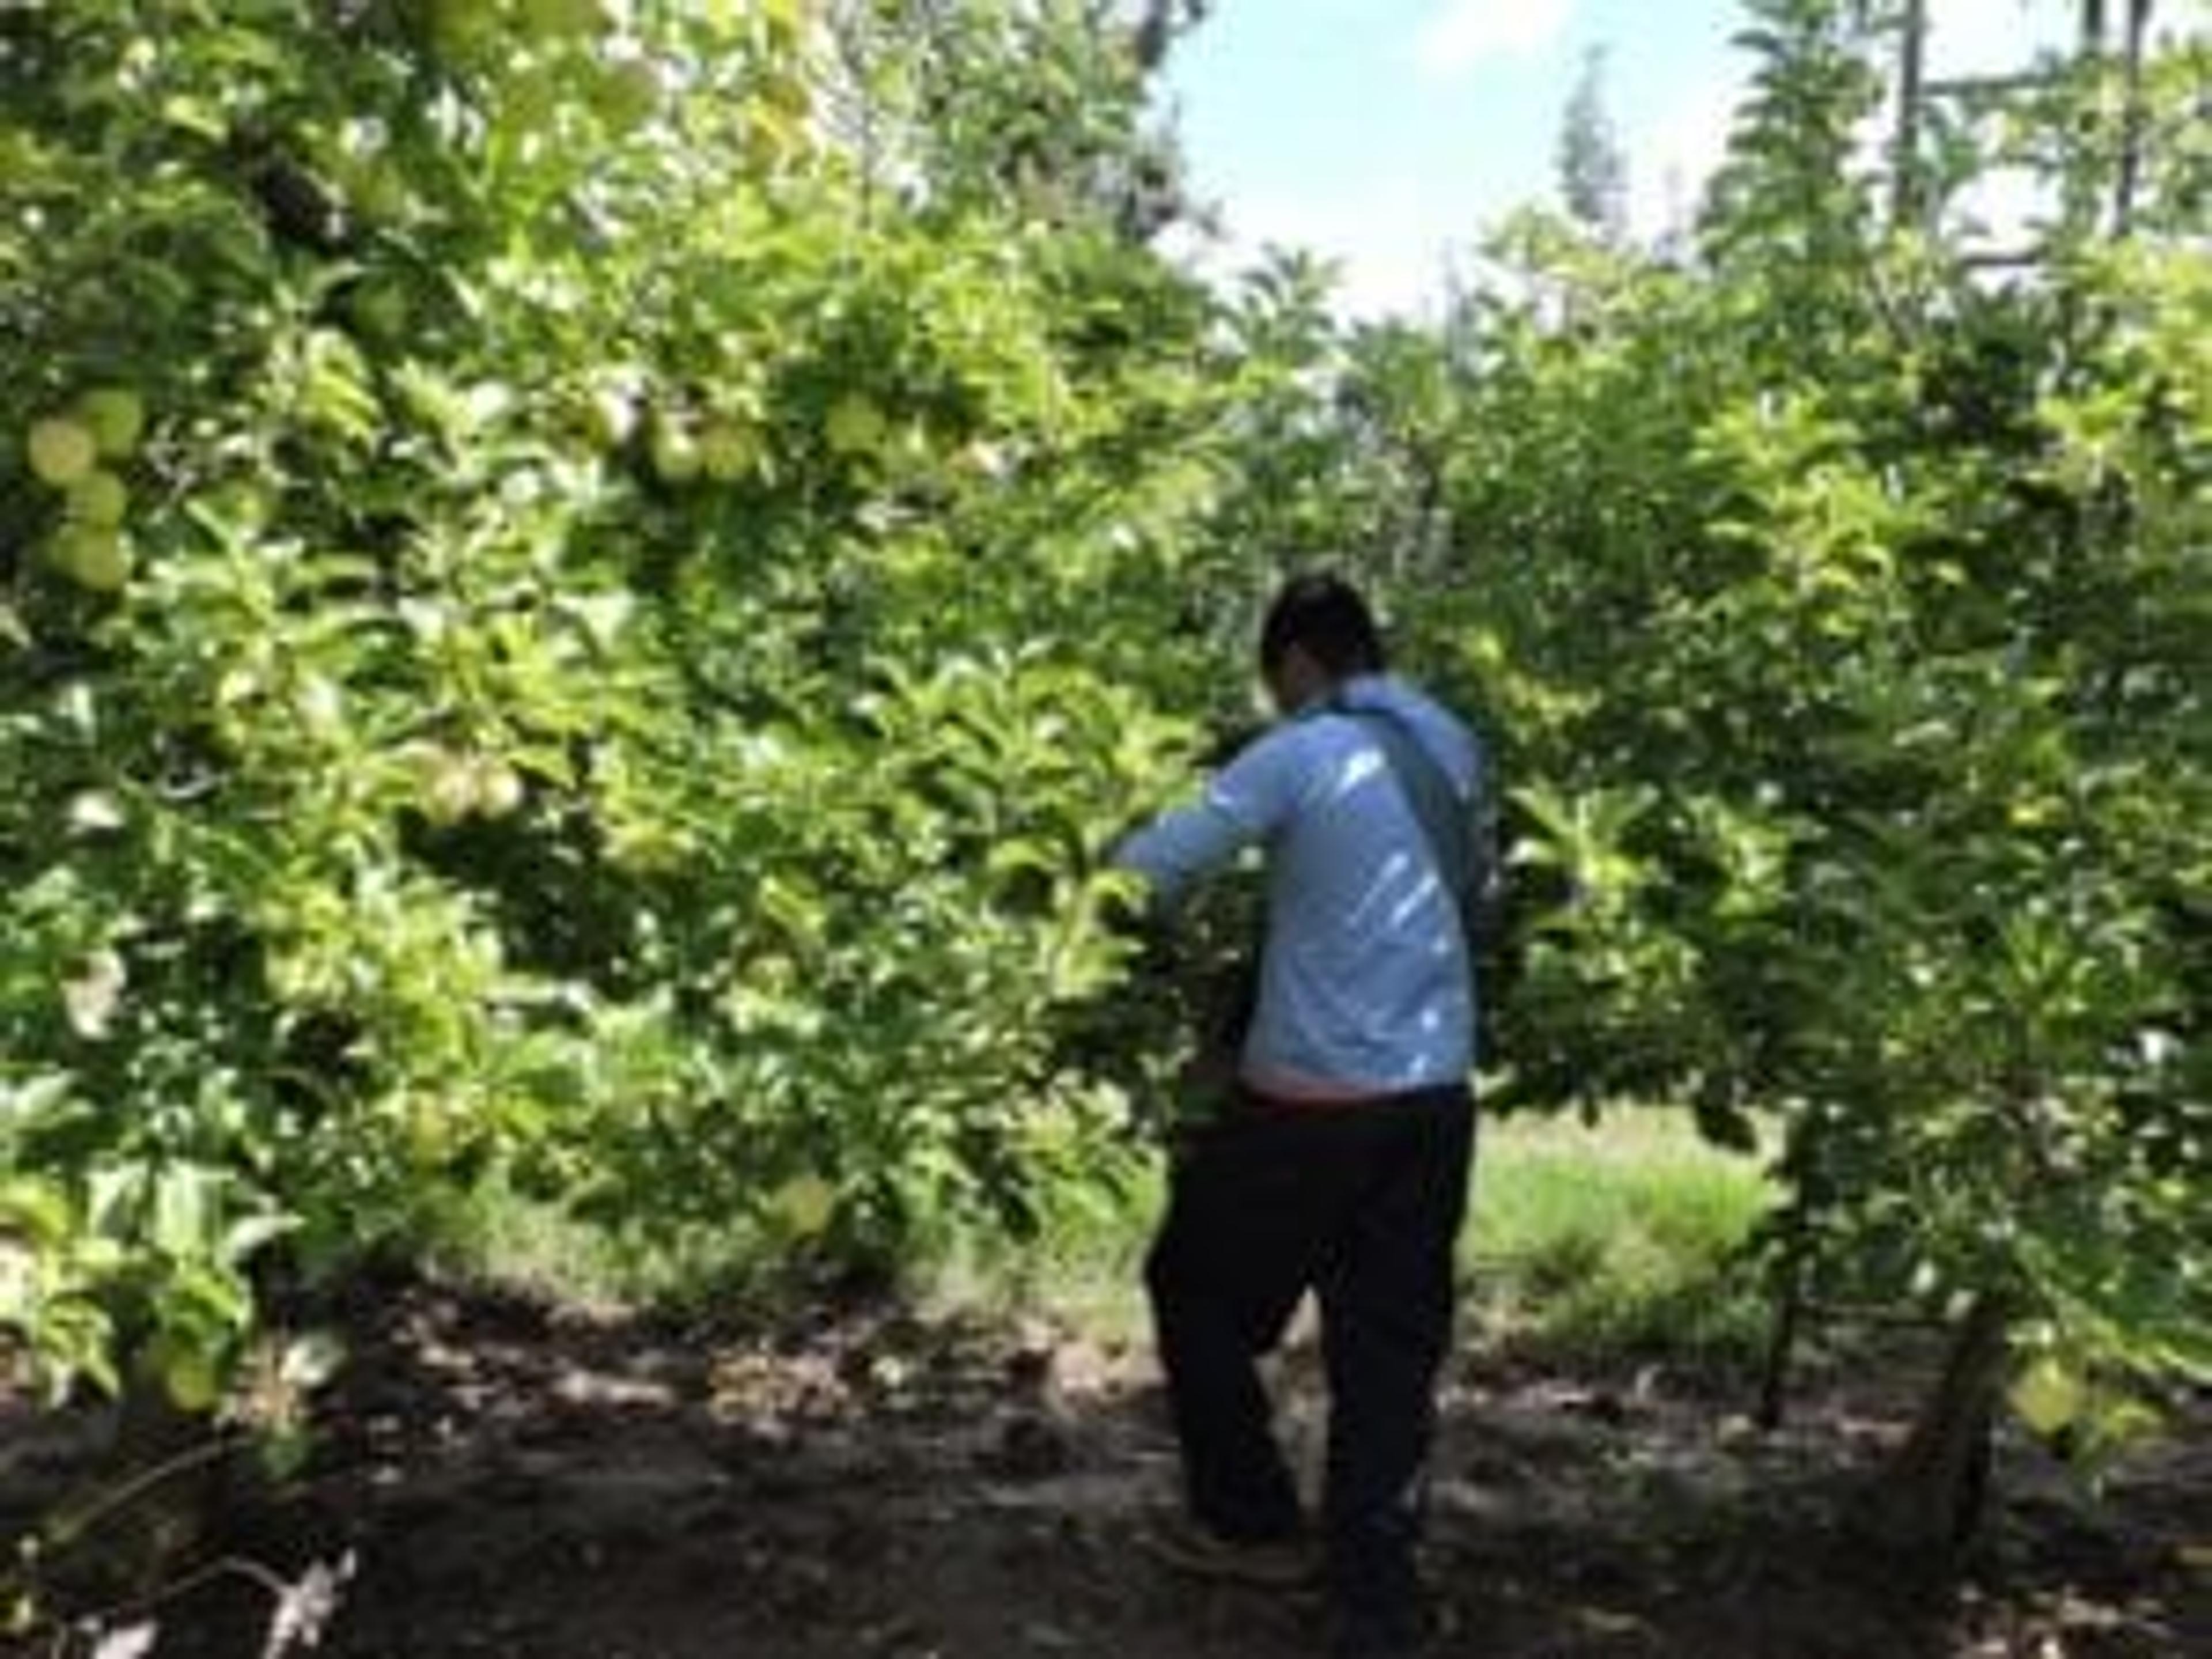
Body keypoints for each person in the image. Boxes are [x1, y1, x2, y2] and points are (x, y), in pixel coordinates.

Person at [1113, 573, 1487, 1658]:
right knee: (1387, 1345)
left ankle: (1254, 1522)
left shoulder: (1304, 749)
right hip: (1433, 1094)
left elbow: (1150, 874)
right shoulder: (1449, 745)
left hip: (1312, 1098)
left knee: (1192, 1288)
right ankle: (1374, 1598)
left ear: (1296, 665)